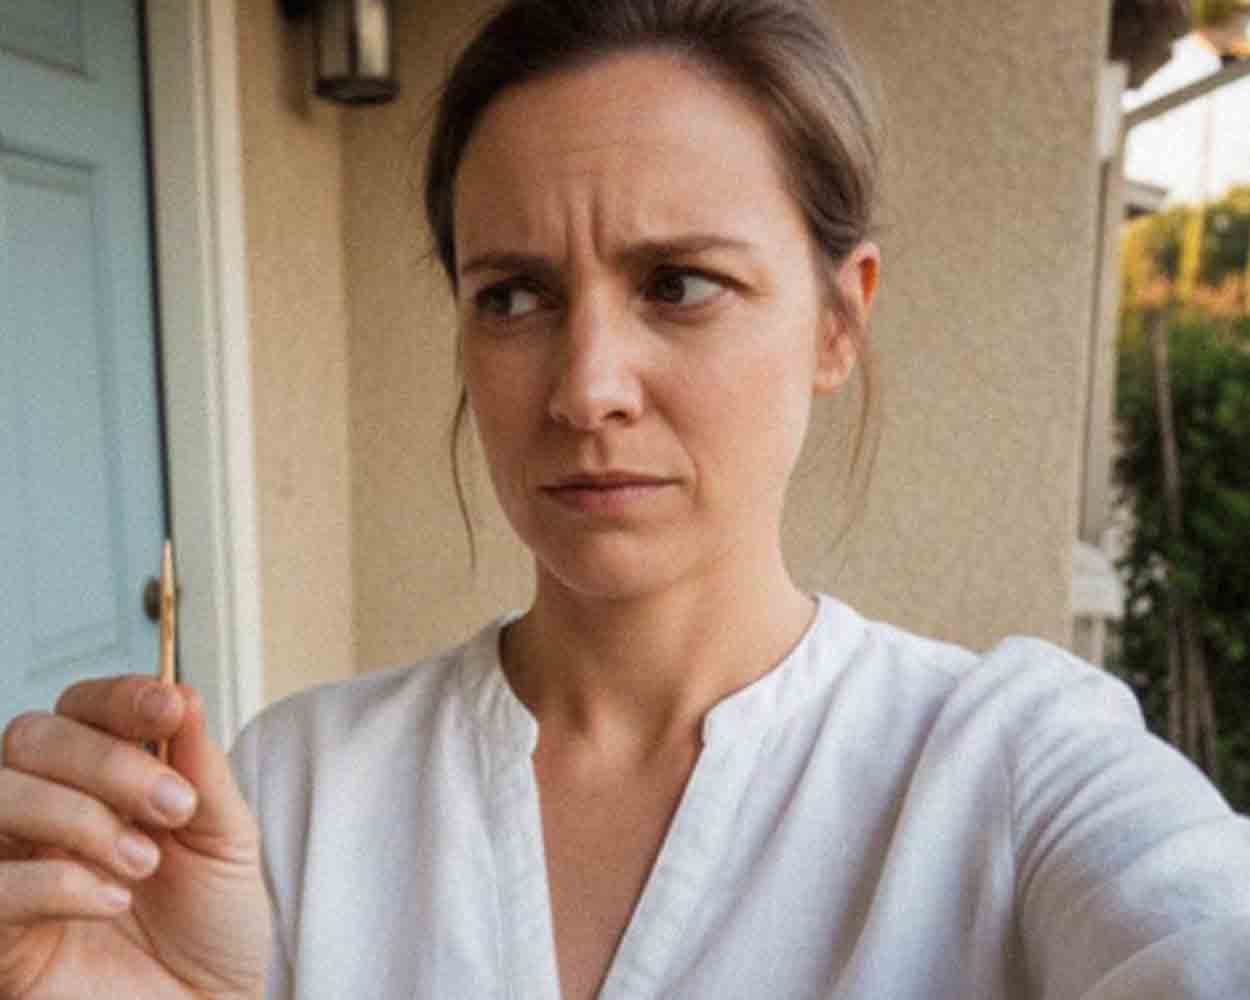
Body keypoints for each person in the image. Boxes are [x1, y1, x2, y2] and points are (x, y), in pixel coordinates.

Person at [2, 0, 1249, 997]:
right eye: (511, 296)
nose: (585, 387)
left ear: (837, 319)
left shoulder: (1013, 773)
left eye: (679, 283)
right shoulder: (293, 793)